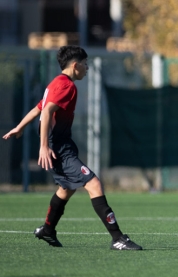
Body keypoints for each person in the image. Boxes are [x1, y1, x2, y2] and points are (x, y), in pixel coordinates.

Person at [3, 45, 142, 250]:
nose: (87, 68)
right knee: (94, 184)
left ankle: (48, 229)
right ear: (75, 65)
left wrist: (19, 127)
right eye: (85, 65)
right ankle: (118, 238)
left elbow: (38, 107)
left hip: (62, 145)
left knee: (66, 189)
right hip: (59, 148)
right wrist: (43, 146)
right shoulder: (67, 86)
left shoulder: (55, 83)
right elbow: (48, 111)